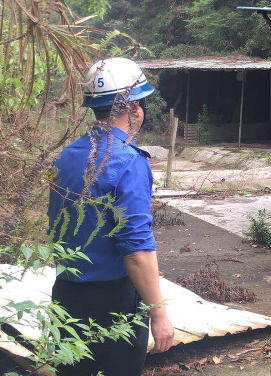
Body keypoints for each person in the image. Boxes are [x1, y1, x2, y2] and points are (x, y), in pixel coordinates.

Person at [48, 57, 174, 376]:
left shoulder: (65, 155)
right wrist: (159, 315)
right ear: (134, 108)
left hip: (66, 295)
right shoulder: (129, 162)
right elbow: (136, 251)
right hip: (113, 304)